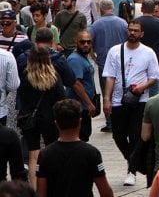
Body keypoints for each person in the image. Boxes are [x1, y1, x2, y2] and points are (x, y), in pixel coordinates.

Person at [102, 20, 159, 186]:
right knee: (118, 135)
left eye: (136, 31)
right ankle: (135, 161)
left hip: (139, 100)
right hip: (119, 100)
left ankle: (131, 170)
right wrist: (107, 99)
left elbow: (154, 77)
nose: (132, 33)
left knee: (135, 135)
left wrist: (142, 87)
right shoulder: (115, 51)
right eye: (130, 30)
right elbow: (110, 76)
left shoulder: (148, 52)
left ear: (141, 34)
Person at [35, 99, 113, 197]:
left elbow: (41, 193)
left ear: (56, 124)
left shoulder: (45, 154)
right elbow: (105, 191)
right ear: (80, 122)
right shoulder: (91, 153)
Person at [17, 44, 67, 188]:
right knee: (51, 151)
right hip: (50, 118)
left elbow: (22, 97)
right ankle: (52, 184)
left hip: (29, 119)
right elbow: (61, 98)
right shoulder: (54, 76)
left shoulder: (26, 76)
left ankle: (34, 187)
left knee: (33, 154)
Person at [91, 0, 128, 132]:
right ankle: (122, 120)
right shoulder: (123, 23)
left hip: (104, 63)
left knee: (107, 92)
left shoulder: (96, 25)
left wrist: (94, 57)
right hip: (121, 63)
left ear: (101, 9)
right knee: (121, 90)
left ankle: (110, 122)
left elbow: (89, 43)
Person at [66, 30, 99, 141]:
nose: (86, 44)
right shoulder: (75, 59)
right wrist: (89, 104)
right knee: (81, 137)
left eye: (88, 42)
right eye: (82, 42)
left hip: (83, 107)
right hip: (78, 107)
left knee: (84, 135)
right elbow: (76, 84)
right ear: (77, 42)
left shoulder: (84, 57)